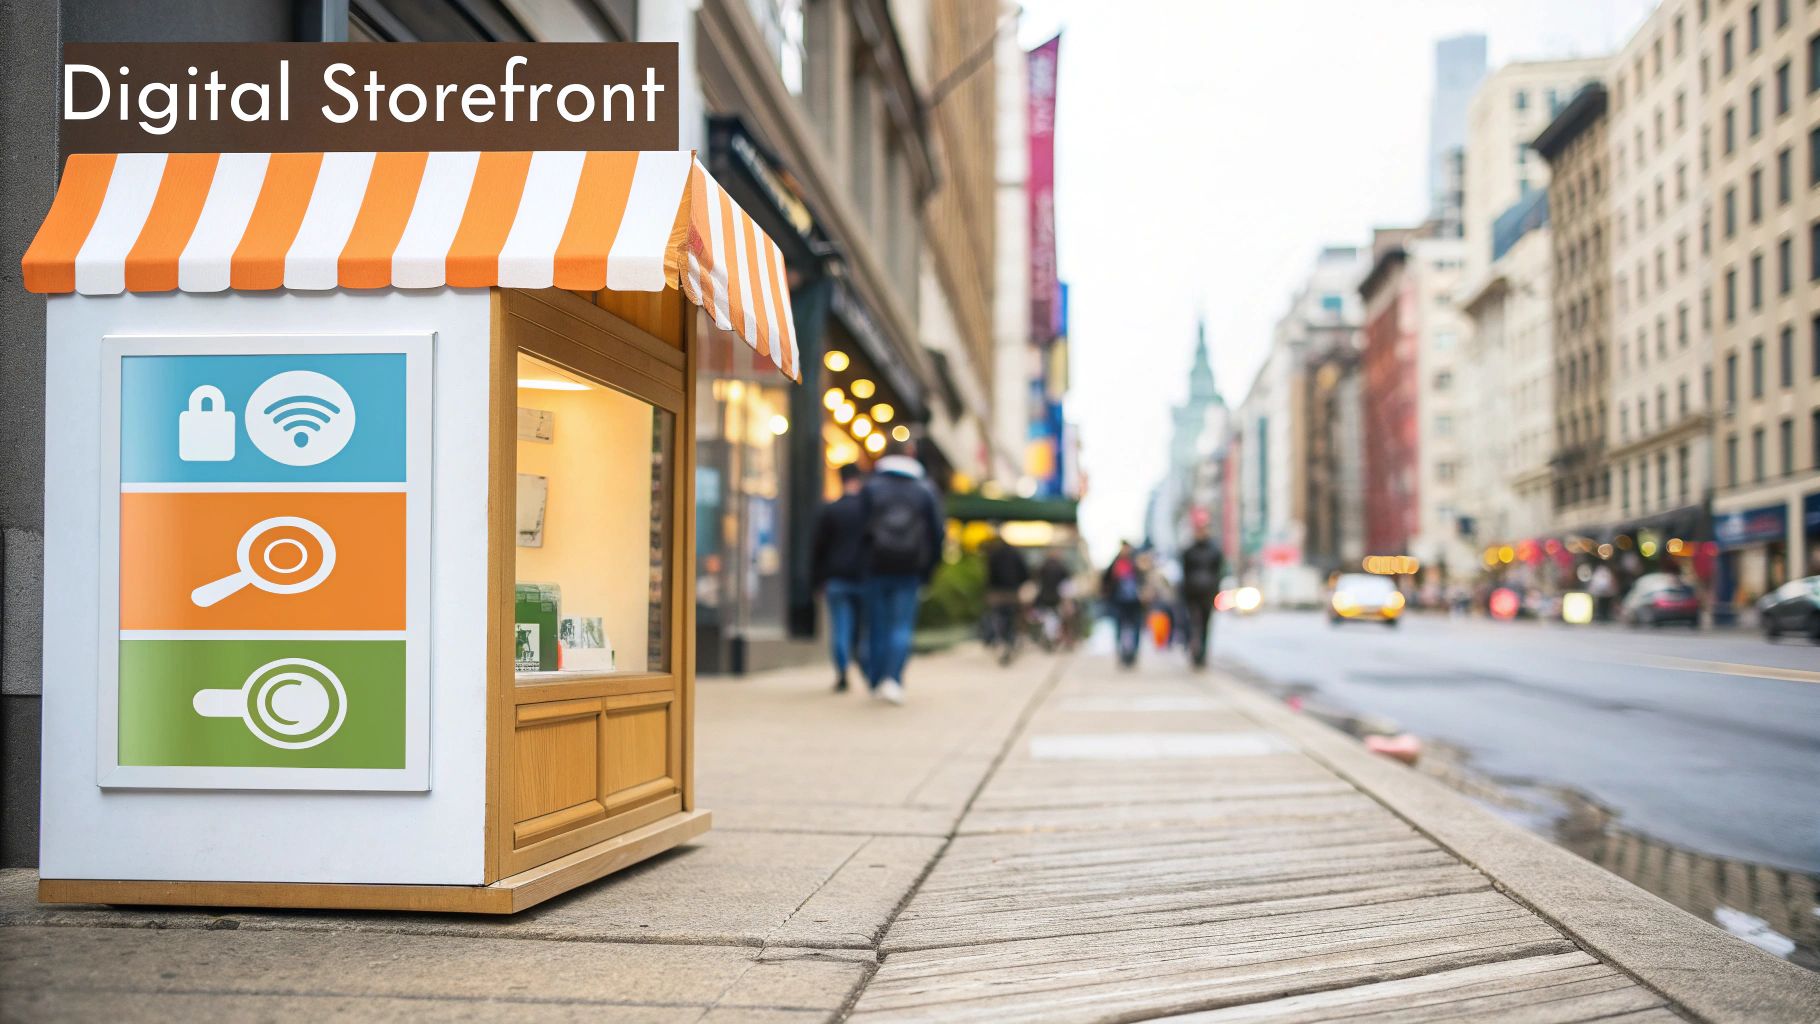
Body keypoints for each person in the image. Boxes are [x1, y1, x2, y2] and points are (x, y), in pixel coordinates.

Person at [860, 436, 944, 704]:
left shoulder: (871, 487)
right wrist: (929, 570)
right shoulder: (924, 489)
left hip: (876, 566)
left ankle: (875, 680)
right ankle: (893, 680)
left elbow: (859, 531)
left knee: (877, 626)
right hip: (910, 569)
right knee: (900, 626)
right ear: (910, 453)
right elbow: (937, 534)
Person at [810, 463, 869, 692]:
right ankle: (865, 668)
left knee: (840, 627)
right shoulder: (868, 510)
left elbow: (818, 549)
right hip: (864, 577)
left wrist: (816, 580)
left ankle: (842, 671)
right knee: (863, 628)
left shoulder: (830, 510)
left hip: (835, 578)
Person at [1178, 525, 1225, 668]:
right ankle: (1193, 651)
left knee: (1205, 626)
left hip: (1207, 594)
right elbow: (1184, 574)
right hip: (1192, 594)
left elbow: (1218, 573)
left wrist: (1216, 593)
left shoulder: (1214, 551)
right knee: (1192, 625)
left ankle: (1201, 655)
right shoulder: (1189, 551)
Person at [982, 529, 1030, 664]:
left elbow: (989, 574)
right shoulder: (1016, 554)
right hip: (1011, 592)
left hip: (996, 592)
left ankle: (999, 639)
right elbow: (1025, 573)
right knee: (1011, 617)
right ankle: (1009, 640)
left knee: (998, 616)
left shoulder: (993, 554)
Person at [1102, 542, 1146, 668]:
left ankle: (1133, 654)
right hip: (1119, 601)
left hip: (1135, 601)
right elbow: (1106, 580)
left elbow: (1143, 579)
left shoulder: (1136, 563)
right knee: (1119, 627)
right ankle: (1121, 653)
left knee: (1135, 627)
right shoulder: (1115, 564)